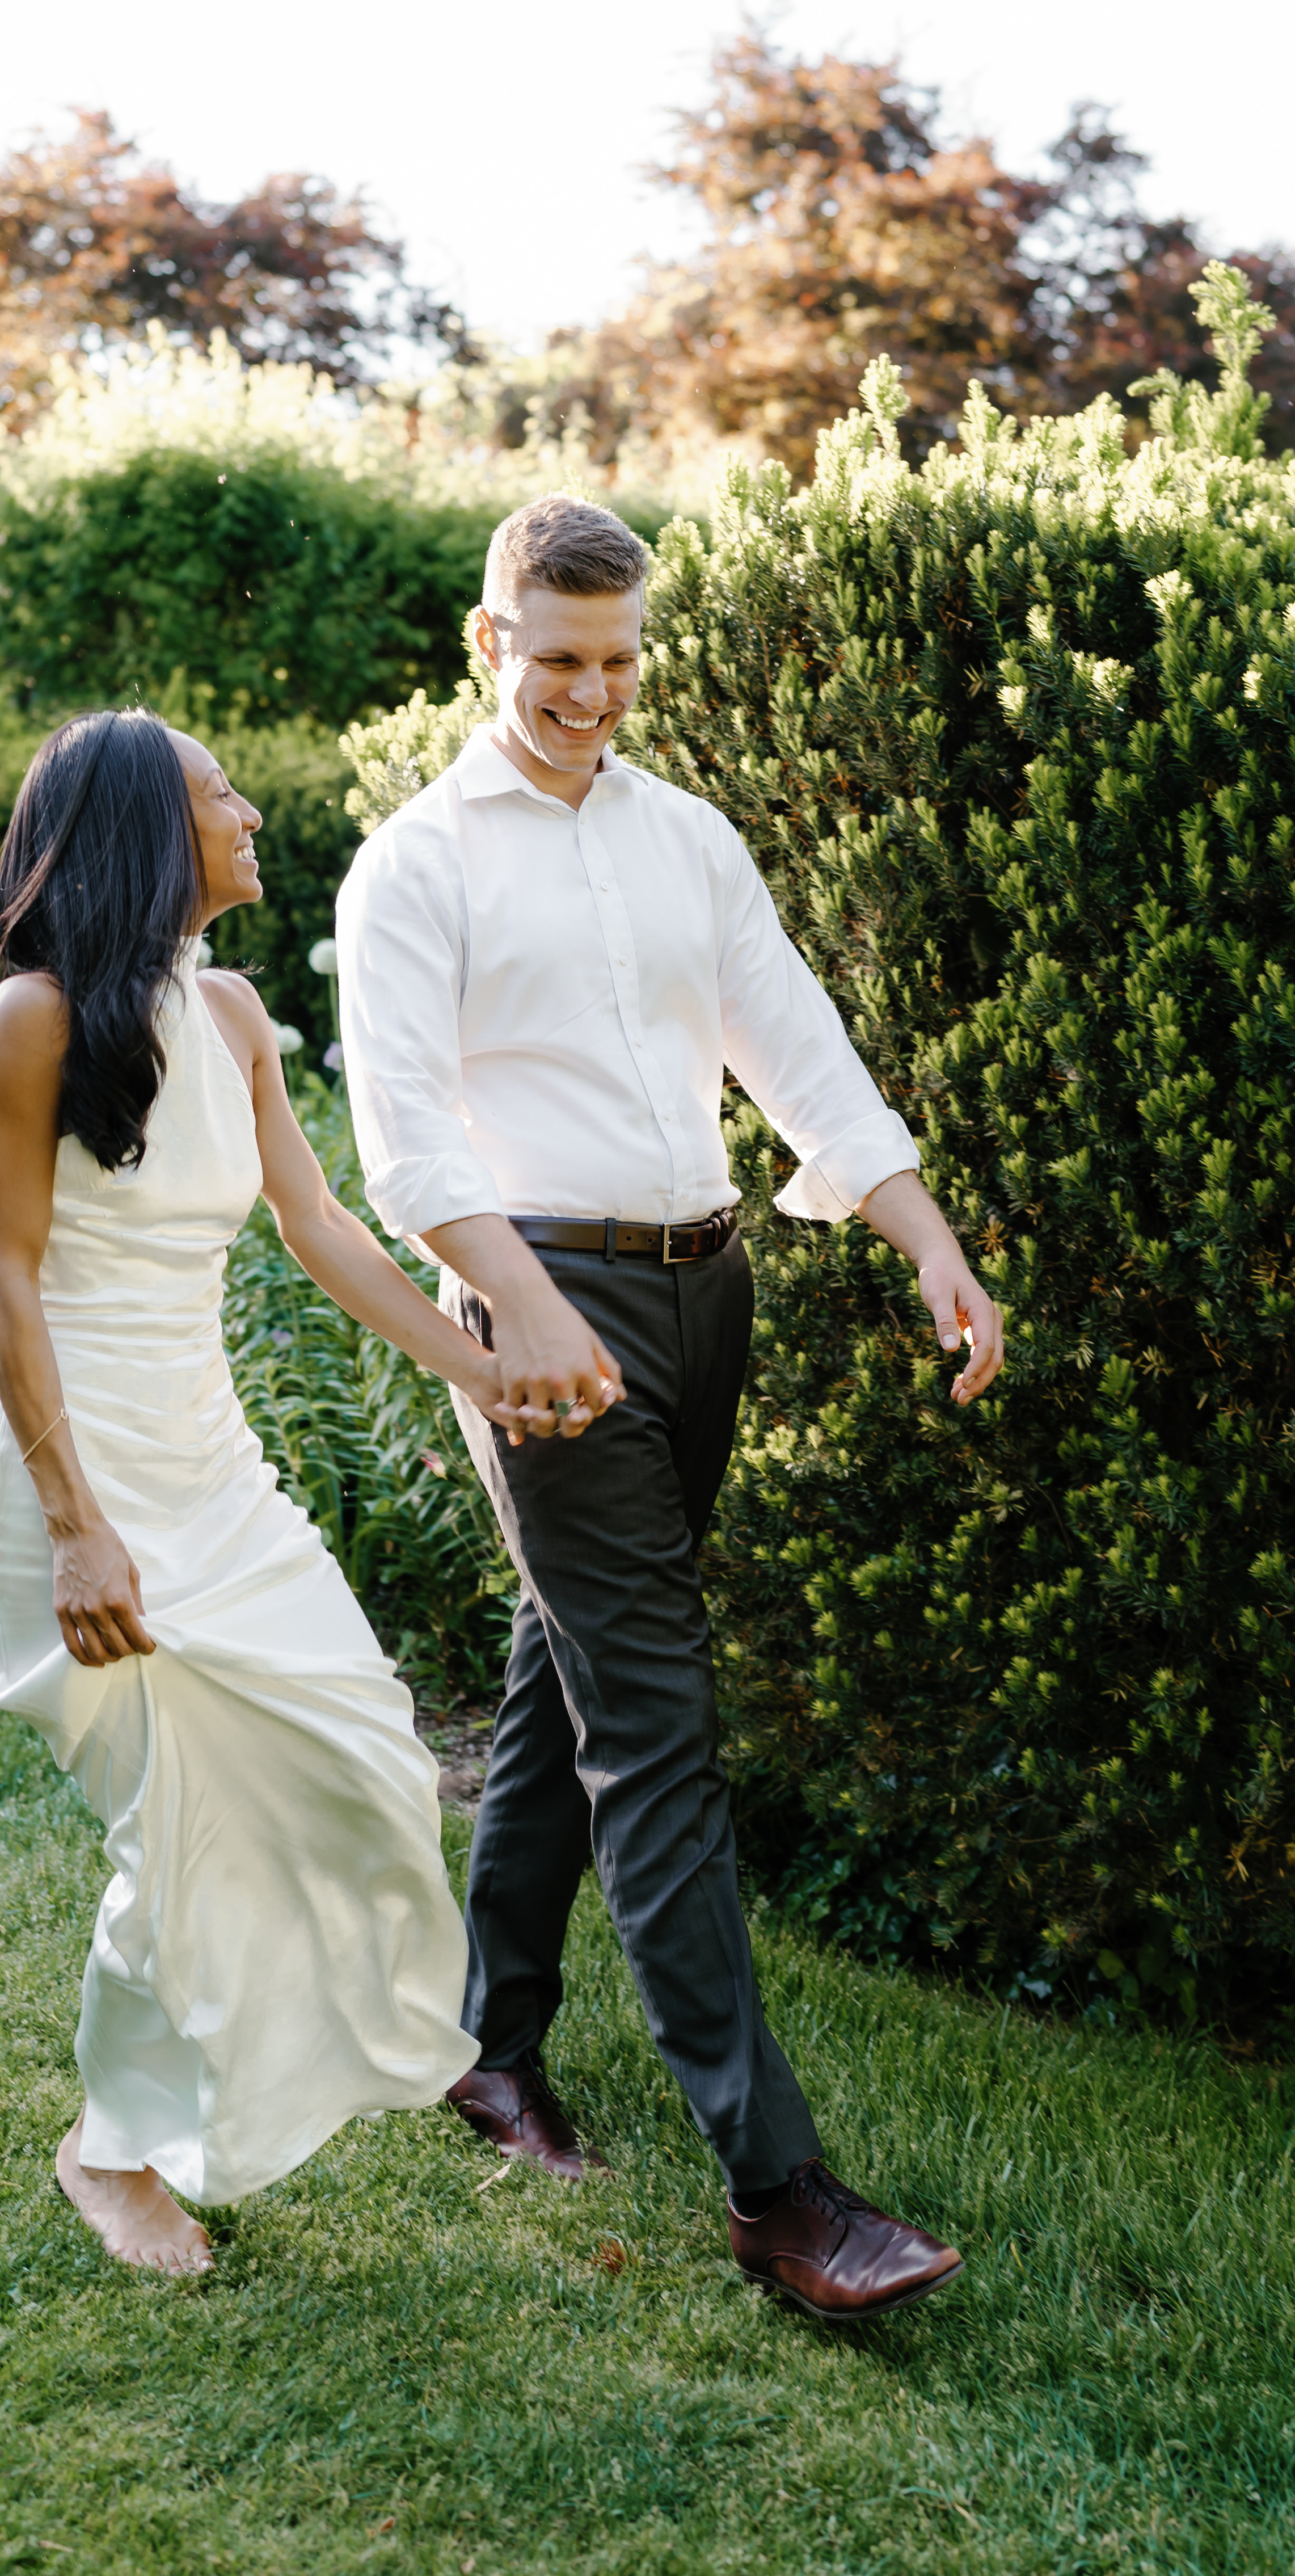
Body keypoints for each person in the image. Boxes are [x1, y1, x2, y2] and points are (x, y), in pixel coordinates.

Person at [335, 495, 1006, 2325]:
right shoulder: (414, 867)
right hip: (547, 1298)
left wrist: (927, 1240)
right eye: (558, 660)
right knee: (656, 1722)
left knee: (576, 1671)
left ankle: (494, 2043)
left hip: (709, 1291)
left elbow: (795, 1043)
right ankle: (780, 2190)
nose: (592, 694)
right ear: (491, 644)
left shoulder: (687, 836)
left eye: (621, 661)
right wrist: (533, 1320)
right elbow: (403, 1141)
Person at [0, 708, 520, 2276]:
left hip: (219, 1476)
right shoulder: (31, 1020)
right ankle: (112, 2148)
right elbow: (6, 1285)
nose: (253, 810)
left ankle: (201, 2088)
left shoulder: (232, 1017)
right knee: (183, 1824)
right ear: (152, 830)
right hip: (90, 1480)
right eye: (222, 796)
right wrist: (78, 1525)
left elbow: (322, 1228)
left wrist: (480, 1371)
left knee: (372, 1759)